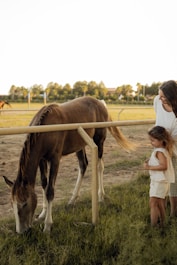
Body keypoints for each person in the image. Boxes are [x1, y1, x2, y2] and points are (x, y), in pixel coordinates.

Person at [154, 80, 177, 217]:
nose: (161, 99)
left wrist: (165, 139)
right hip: (160, 148)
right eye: (159, 95)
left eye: (164, 97)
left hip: (174, 149)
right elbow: (158, 117)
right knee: (159, 180)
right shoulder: (157, 101)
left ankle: (174, 212)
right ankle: (159, 211)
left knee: (174, 182)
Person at [144, 126, 175, 227]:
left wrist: (149, 167)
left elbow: (163, 166)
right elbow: (160, 163)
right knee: (160, 203)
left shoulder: (159, 152)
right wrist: (150, 161)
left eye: (153, 140)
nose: (151, 142)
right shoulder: (162, 150)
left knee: (153, 203)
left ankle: (153, 226)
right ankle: (163, 223)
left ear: (161, 140)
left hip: (159, 182)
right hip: (161, 181)